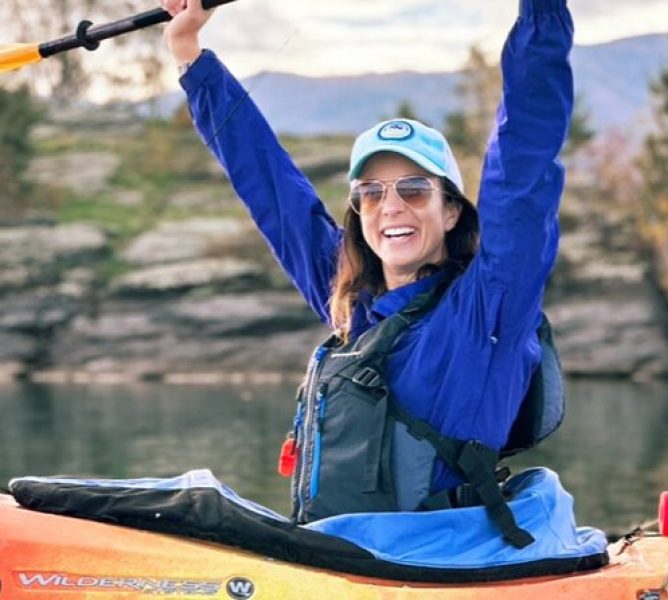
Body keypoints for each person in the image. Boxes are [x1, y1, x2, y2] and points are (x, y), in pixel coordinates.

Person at [161, 0, 573, 544]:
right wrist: (189, 53)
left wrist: (541, 13)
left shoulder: (487, 309)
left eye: (414, 189)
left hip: (436, 569)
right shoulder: (353, 305)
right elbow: (268, 181)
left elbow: (523, 164)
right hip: (339, 557)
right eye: (371, 193)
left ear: (451, 211)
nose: (391, 207)